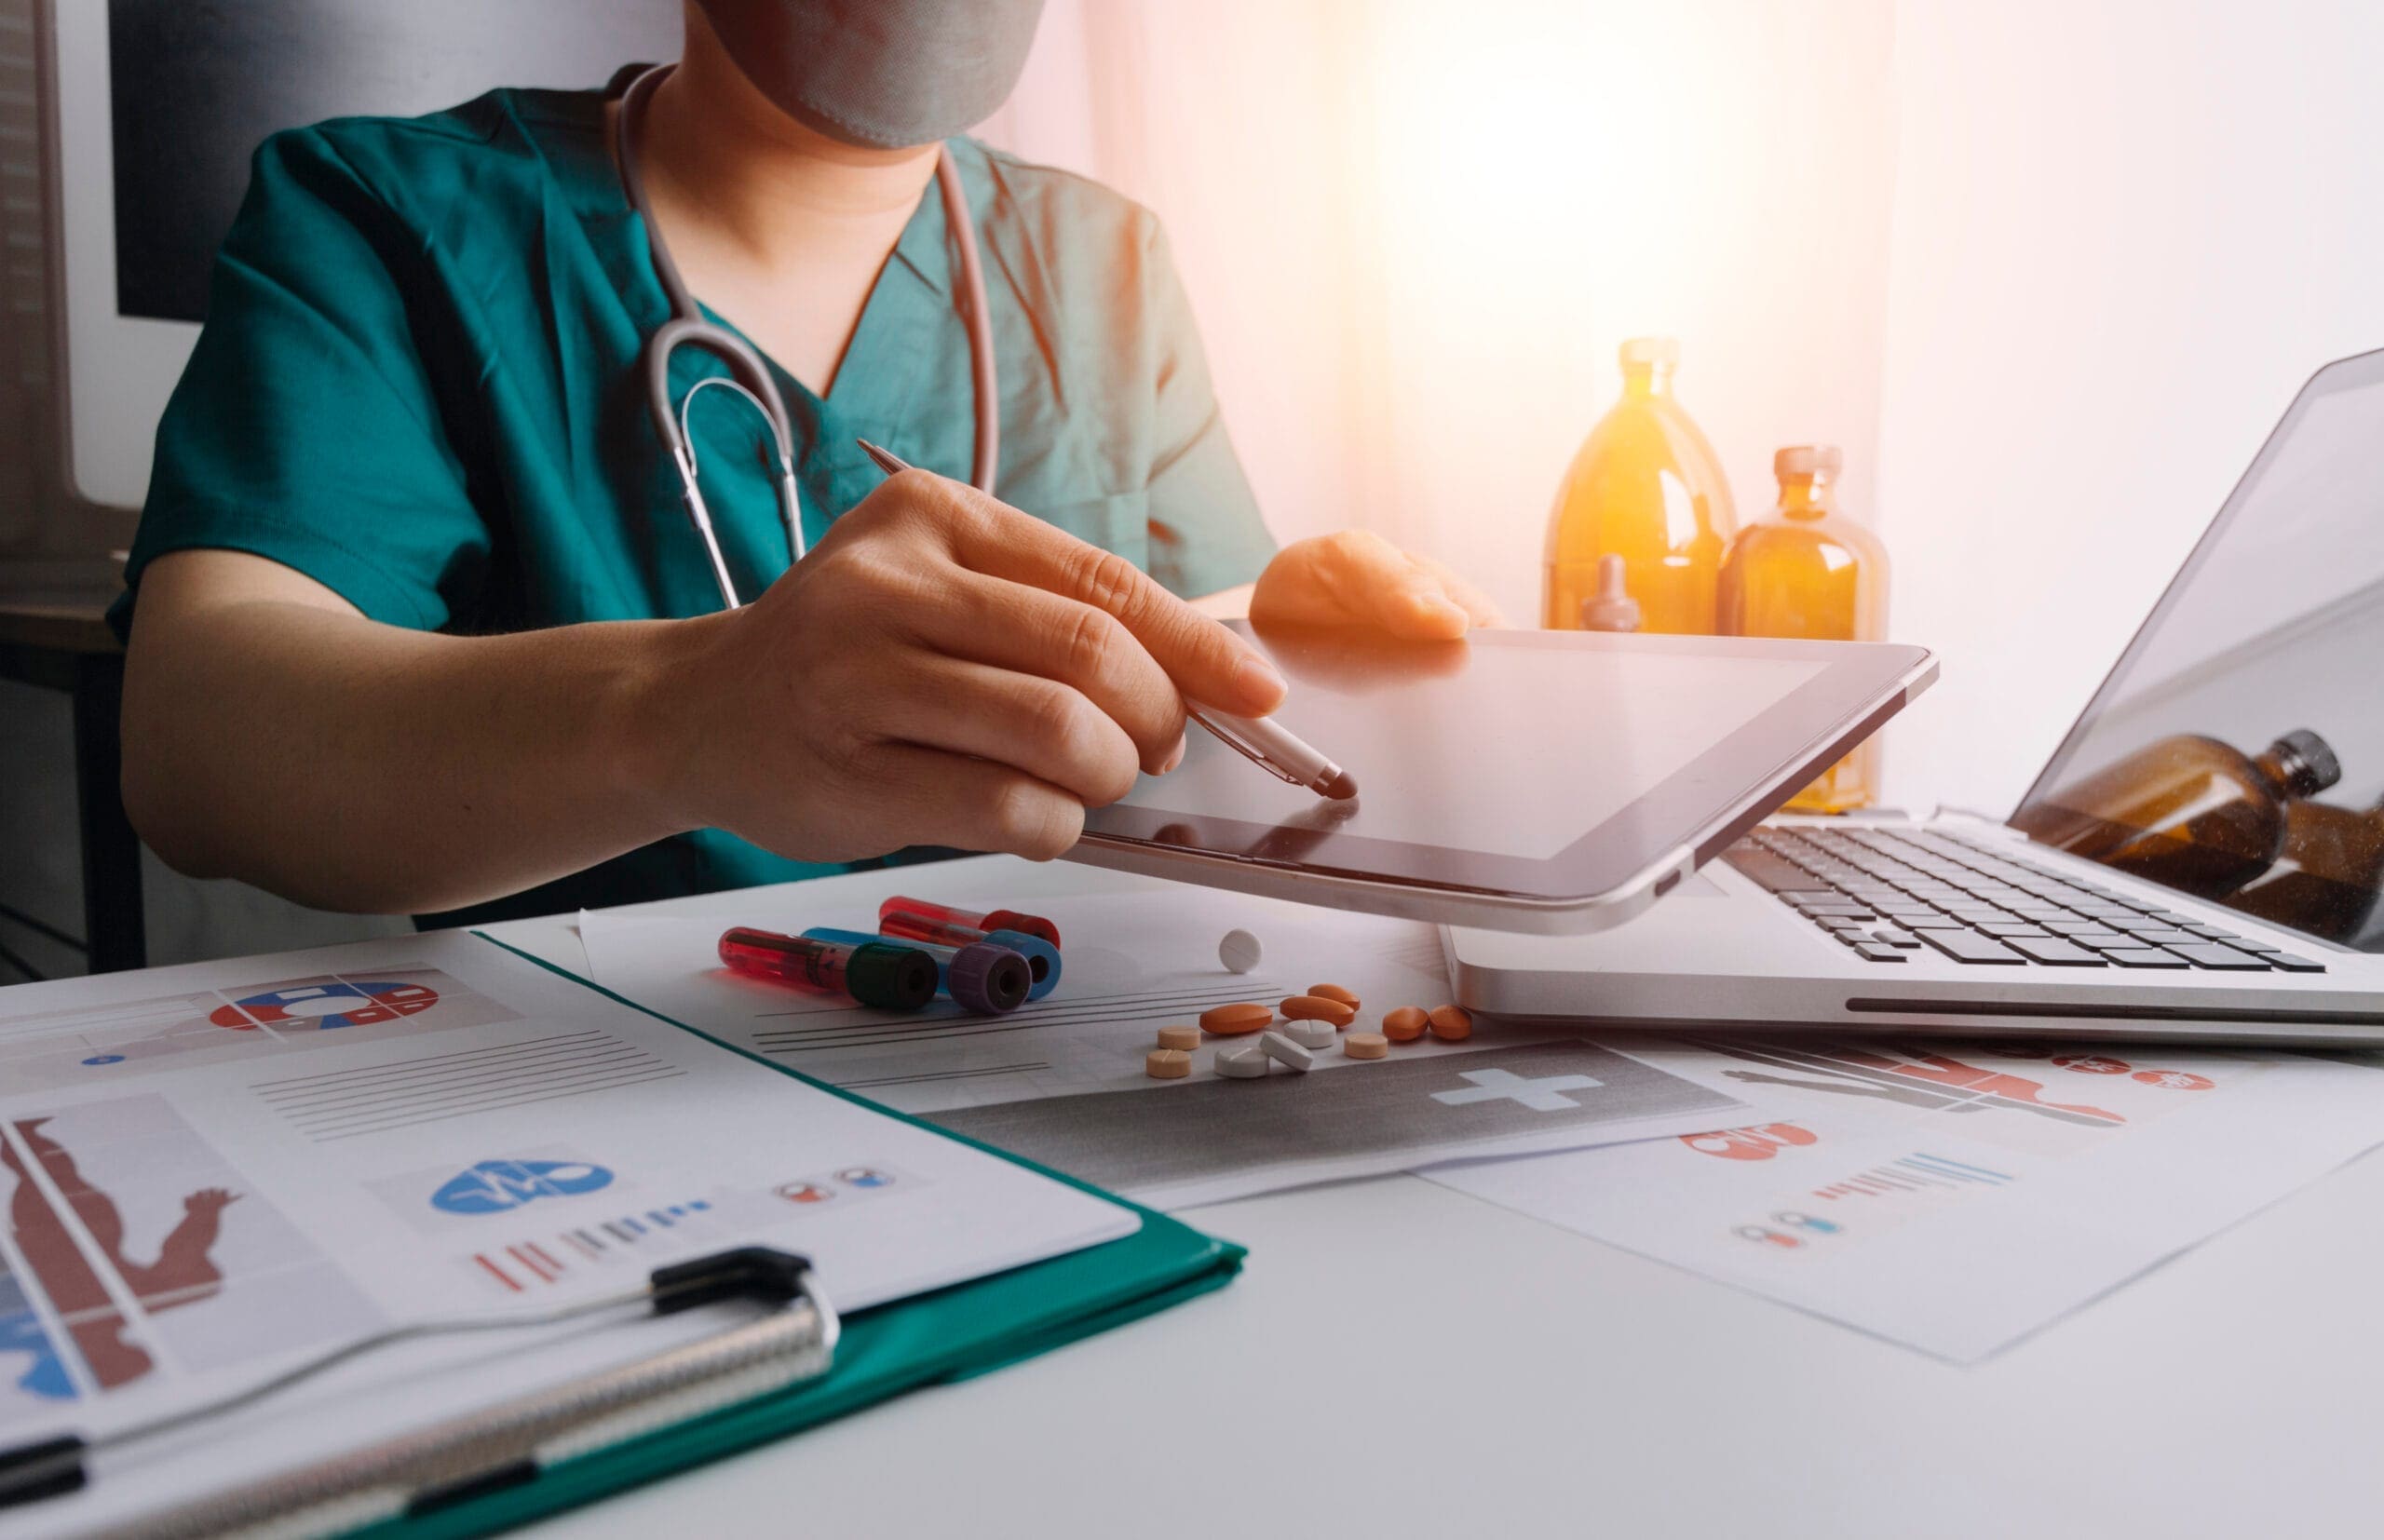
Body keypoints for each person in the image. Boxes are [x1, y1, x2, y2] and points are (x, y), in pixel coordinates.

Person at [114, 0, 1496, 926]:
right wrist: (688, 716)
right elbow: (200, 736)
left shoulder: (1101, 265)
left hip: (1067, 1067)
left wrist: (1299, 655)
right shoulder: (386, 217)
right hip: (602, 1124)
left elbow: (1201, 712)